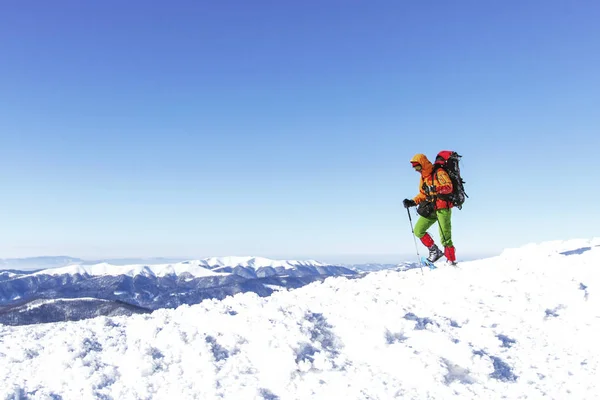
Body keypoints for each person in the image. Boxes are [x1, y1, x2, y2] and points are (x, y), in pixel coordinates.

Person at [403, 153, 457, 265]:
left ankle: (451, 261)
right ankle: (434, 251)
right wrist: (412, 201)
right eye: (414, 168)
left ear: (423, 164)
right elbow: (423, 194)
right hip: (431, 208)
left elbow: (448, 187)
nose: (416, 170)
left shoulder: (439, 172)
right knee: (418, 230)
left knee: (445, 236)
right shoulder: (423, 177)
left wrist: (436, 188)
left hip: (443, 207)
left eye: (417, 167)